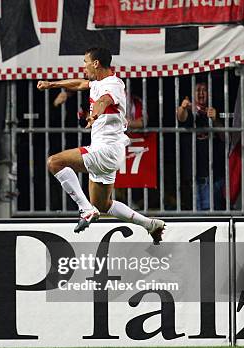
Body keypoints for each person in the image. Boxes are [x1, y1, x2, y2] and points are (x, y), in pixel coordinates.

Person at [37, 47, 165, 244]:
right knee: (103, 205)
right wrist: (52, 84)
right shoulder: (99, 82)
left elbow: (104, 101)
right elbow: (80, 84)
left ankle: (85, 210)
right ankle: (150, 225)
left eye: (85, 61)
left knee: (55, 163)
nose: (83, 65)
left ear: (96, 63)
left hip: (104, 150)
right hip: (111, 152)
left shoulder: (112, 84)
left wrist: (94, 114)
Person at [176, 82, 226, 211]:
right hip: (194, 172)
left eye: (204, 90)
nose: (201, 93)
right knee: (197, 212)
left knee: (212, 212)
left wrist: (215, 119)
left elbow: (225, 136)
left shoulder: (214, 109)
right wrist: (182, 107)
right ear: (192, 94)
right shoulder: (189, 110)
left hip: (214, 172)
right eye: (198, 90)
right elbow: (181, 117)